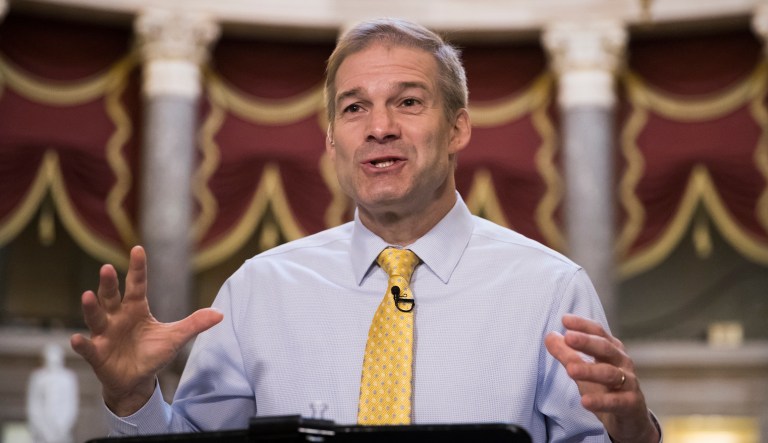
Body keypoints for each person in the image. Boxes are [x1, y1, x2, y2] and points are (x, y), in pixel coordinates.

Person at [71, 18, 661, 442]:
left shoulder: (551, 290)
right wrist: (131, 399)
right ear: (331, 139)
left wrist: (636, 433)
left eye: (407, 101)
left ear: (457, 129)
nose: (379, 127)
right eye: (354, 108)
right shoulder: (259, 290)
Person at [27, 343, 79, 443]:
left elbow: (71, 404)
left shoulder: (68, 378)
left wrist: (63, 426)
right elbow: (33, 404)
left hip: (62, 428)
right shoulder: (38, 377)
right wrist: (42, 427)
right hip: (42, 429)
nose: (53, 362)